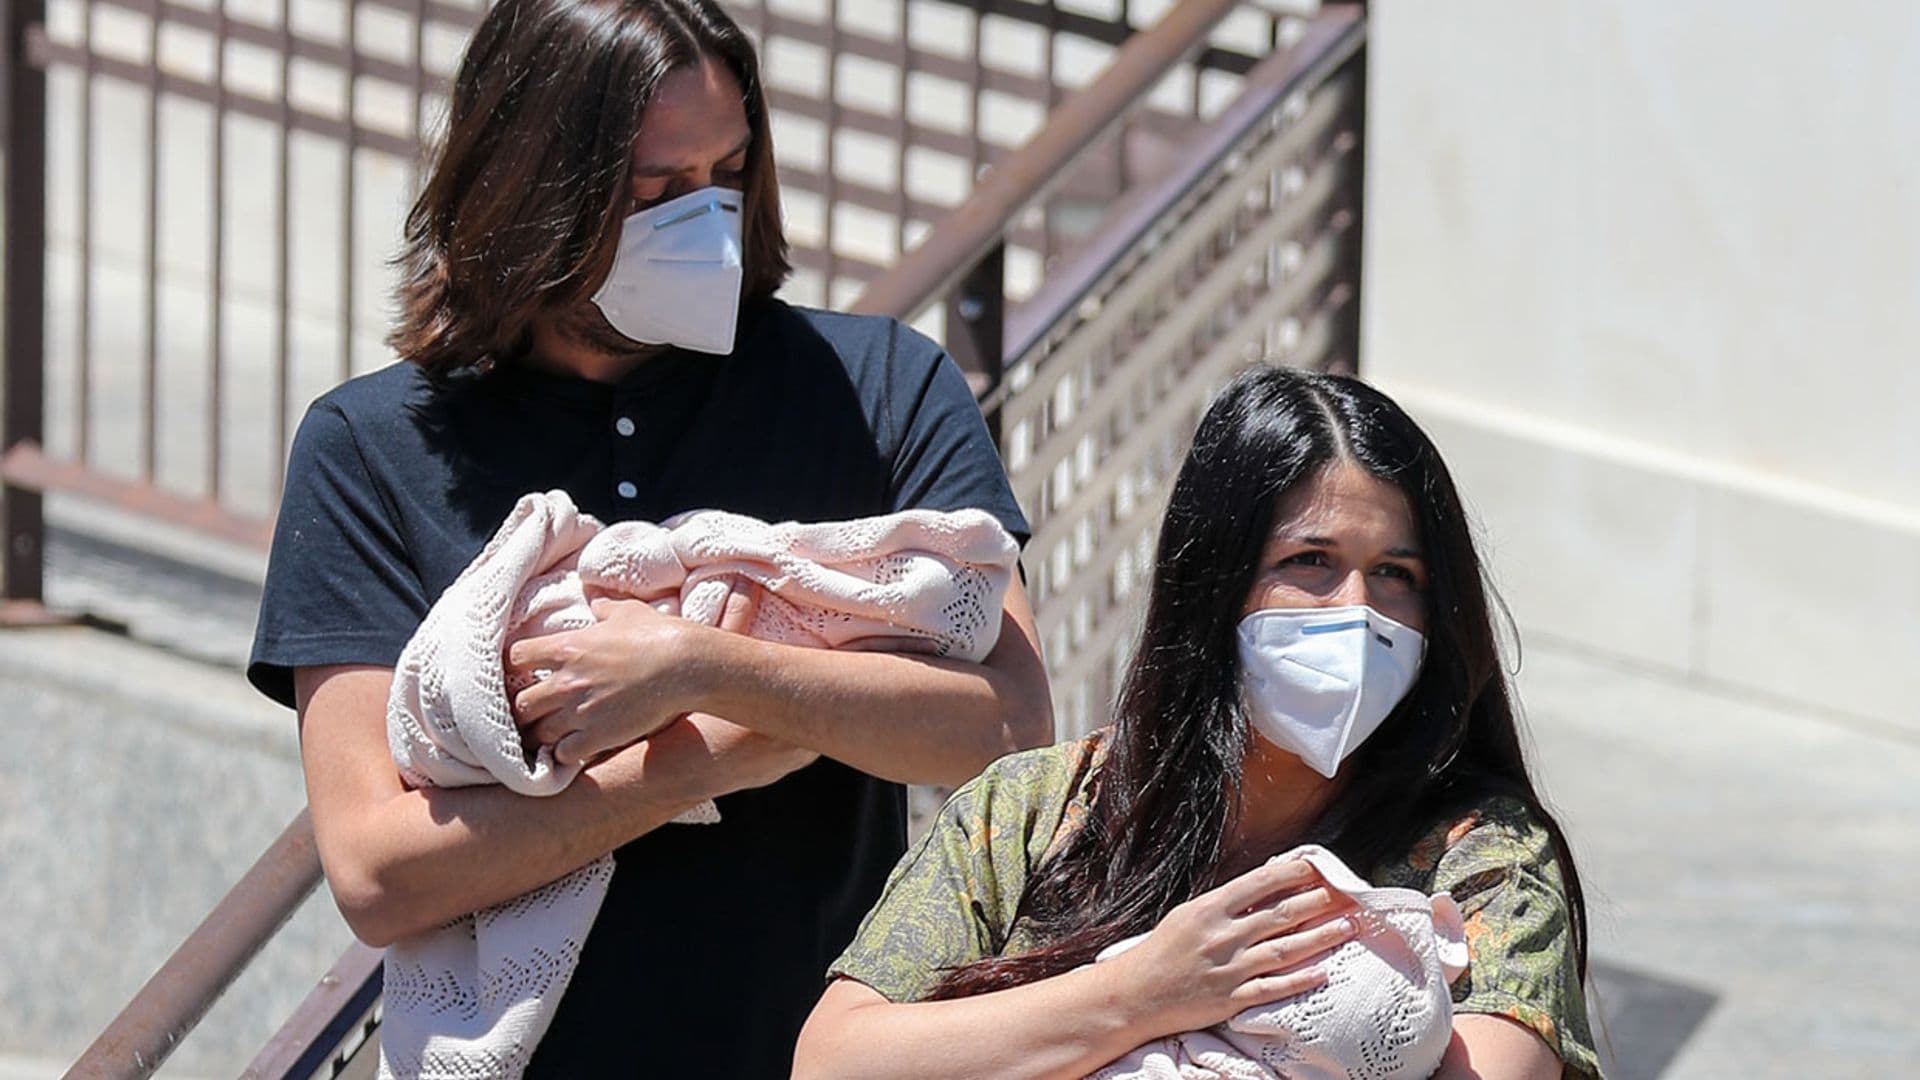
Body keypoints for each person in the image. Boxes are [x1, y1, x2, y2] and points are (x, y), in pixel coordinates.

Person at [245, 1, 1051, 1075]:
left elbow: (1011, 730)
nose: (707, 222)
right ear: (527, 186)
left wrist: (709, 666)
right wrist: (697, 760)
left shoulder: (880, 388)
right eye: (658, 190)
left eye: (728, 173)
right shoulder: (371, 445)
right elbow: (378, 875)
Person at [795, 366, 1602, 1079]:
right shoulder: (1030, 814)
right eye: (1309, 563)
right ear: (1212, 585)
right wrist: (1143, 992)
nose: (1357, 612)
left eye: (1396, 574)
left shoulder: (1481, 857)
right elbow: (836, 1062)